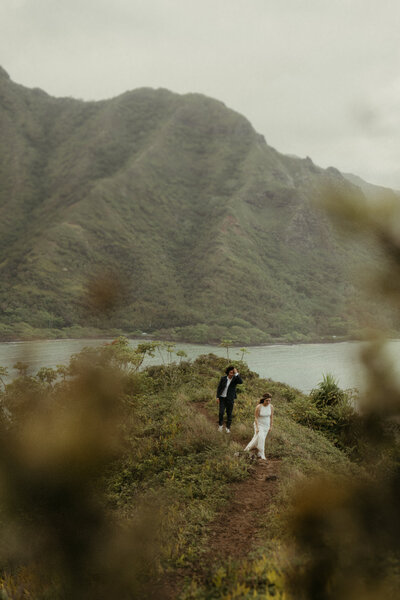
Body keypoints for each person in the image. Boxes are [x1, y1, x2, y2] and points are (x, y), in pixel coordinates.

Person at [244, 392, 273, 460]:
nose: (268, 402)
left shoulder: (271, 407)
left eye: (269, 400)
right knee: (261, 438)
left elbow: (271, 417)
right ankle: (262, 454)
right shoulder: (259, 407)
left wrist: (271, 426)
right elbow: (256, 418)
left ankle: (247, 450)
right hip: (259, 425)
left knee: (257, 439)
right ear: (263, 400)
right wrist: (257, 428)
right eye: (267, 400)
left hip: (266, 425)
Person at [216, 365, 243, 433]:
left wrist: (236, 373)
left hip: (230, 399)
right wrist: (217, 397)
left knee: (229, 413)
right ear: (228, 372)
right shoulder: (223, 378)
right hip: (222, 398)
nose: (231, 373)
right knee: (221, 412)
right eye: (230, 372)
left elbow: (241, 381)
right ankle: (220, 426)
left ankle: (228, 428)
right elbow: (219, 388)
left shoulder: (235, 379)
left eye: (233, 372)